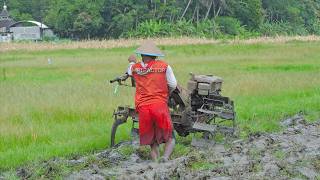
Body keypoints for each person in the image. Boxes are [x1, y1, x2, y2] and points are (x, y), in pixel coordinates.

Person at [127, 41, 177, 162]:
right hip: (159, 105)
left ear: (142, 55)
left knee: (152, 140)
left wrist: (132, 61)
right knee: (170, 137)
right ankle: (165, 158)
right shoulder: (165, 66)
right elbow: (173, 84)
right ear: (155, 56)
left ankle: (155, 163)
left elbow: (129, 71)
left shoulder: (135, 68)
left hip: (143, 108)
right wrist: (166, 94)